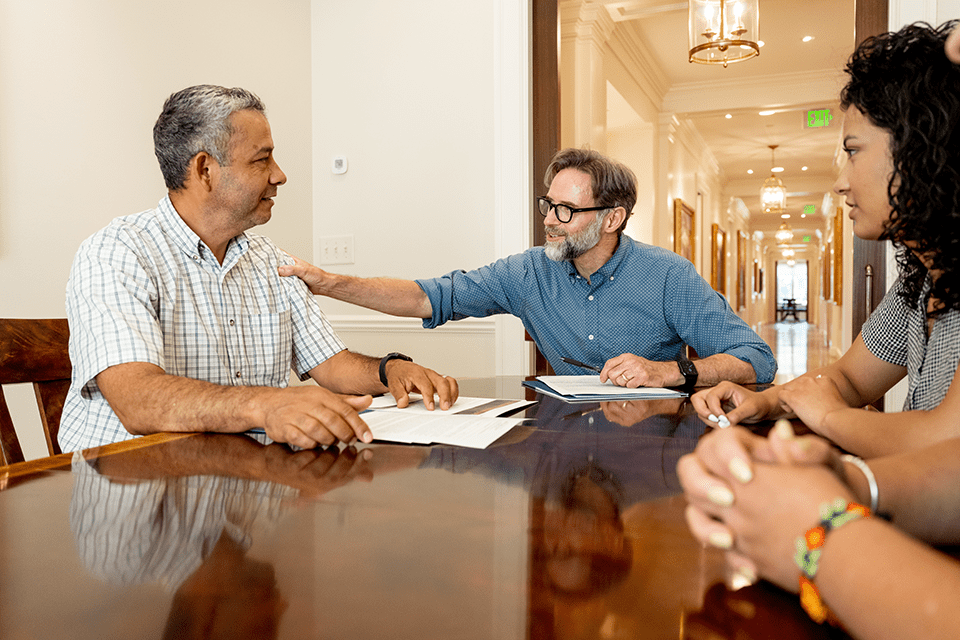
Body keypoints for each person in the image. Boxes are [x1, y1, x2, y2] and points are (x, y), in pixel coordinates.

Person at [60, 85, 458, 453]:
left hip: (241, 484)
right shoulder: (116, 252)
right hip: (130, 493)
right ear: (205, 170)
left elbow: (330, 363)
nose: (279, 175)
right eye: (261, 159)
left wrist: (389, 370)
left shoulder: (271, 261)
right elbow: (138, 401)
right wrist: (266, 405)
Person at [279, 148, 777, 389]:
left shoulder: (668, 276)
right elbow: (426, 296)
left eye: (567, 210)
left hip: (648, 445)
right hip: (560, 445)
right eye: (548, 204)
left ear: (613, 219)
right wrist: (328, 283)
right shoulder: (526, 273)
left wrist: (670, 370)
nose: (550, 221)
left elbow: (757, 359)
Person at [692, 20, 960, 458]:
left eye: (853, 151)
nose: (840, 183)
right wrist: (767, 402)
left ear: (919, 146)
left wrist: (831, 417)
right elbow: (850, 379)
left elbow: (947, 446)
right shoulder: (919, 282)